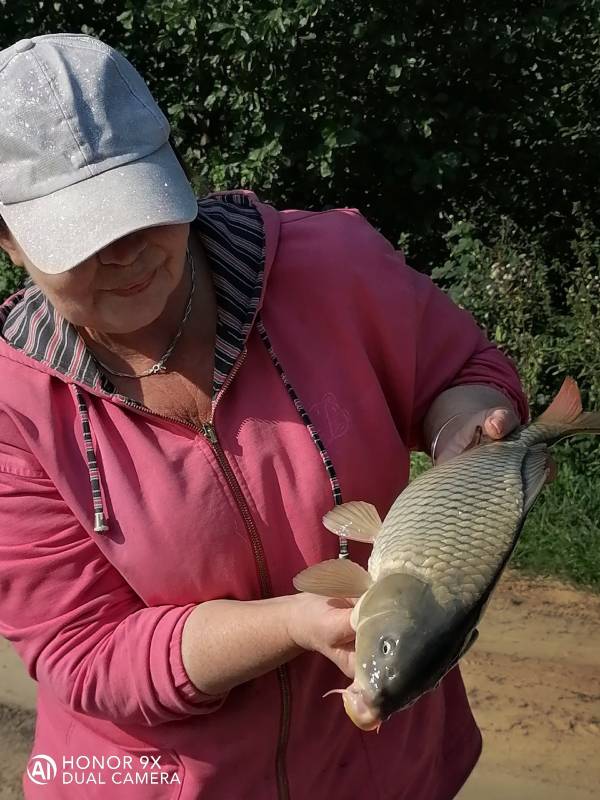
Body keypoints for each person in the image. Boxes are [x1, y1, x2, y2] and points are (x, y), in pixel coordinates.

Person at [0, 33, 528, 800]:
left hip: (385, 774)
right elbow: (85, 649)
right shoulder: (13, 410)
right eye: (83, 236)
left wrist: (466, 434)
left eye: (138, 207)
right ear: (10, 240)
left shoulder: (334, 265)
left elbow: (463, 372)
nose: (127, 252)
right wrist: (292, 625)